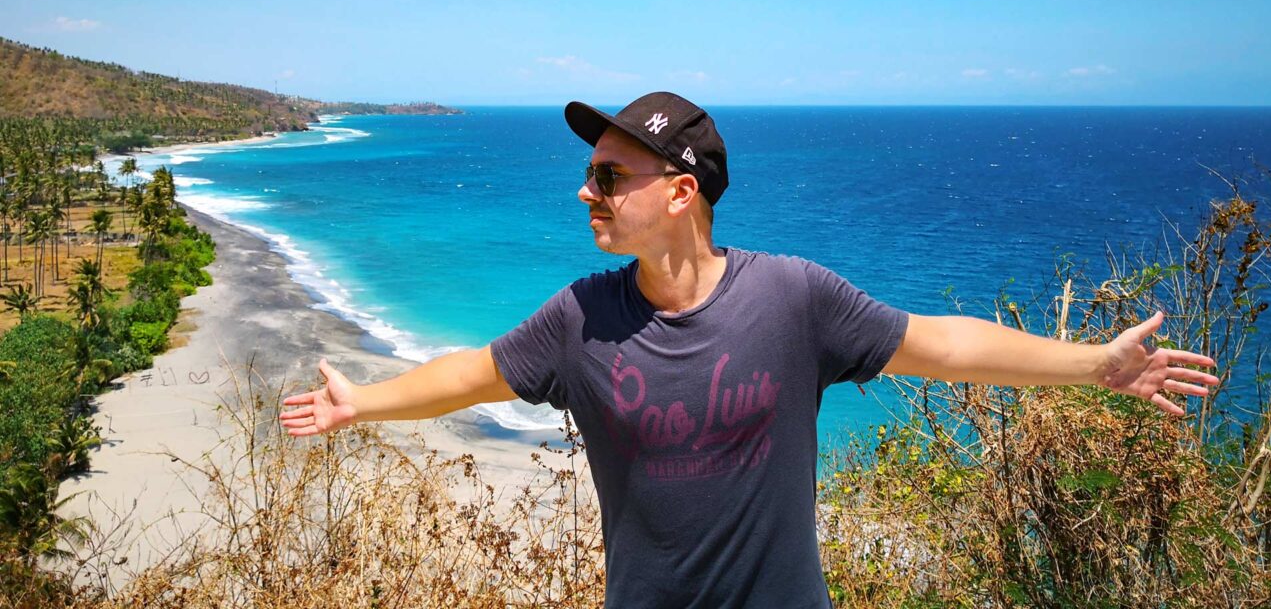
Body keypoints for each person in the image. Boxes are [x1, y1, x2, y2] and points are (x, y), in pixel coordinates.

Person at [279, 91, 1219, 608]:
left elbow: (939, 345)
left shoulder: (793, 298)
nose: (586, 193)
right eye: (587, 175)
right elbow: (473, 371)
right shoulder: (580, 316)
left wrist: (1096, 364)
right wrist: (364, 401)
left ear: (681, 192)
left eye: (610, 175)